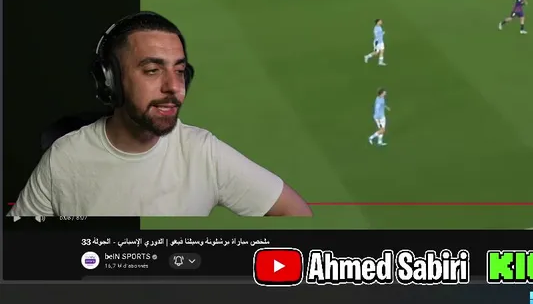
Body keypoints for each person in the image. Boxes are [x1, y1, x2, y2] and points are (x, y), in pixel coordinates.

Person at [8, 12, 311, 217]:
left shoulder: (203, 153)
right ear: (109, 80)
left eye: (179, 71)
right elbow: (17, 254)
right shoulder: (65, 157)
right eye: (152, 70)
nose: (173, 87)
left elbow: (296, 213)